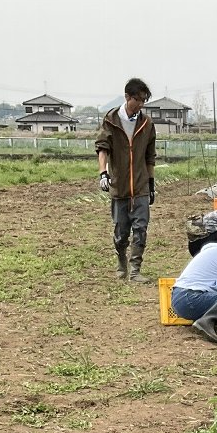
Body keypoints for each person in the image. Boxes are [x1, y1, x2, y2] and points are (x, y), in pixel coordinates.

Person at [96, 78, 157, 283]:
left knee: (141, 227)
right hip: (119, 185)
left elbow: (150, 157)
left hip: (140, 186)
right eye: (137, 100)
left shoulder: (147, 124)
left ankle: (135, 270)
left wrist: (151, 185)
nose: (140, 104)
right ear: (127, 97)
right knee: (121, 231)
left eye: (143, 101)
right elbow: (102, 148)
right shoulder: (111, 119)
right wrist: (103, 173)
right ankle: (121, 258)